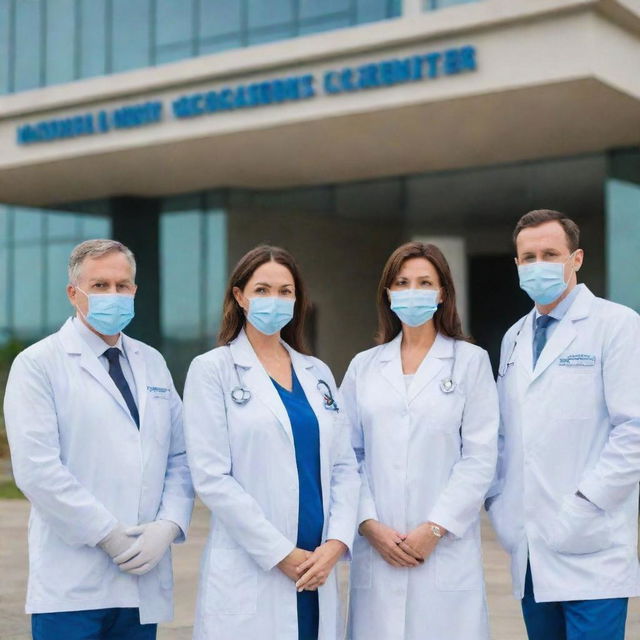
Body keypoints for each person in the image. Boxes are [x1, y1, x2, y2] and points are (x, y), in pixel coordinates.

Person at [4, 239, 194, 640]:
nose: (113, 295)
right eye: (100, 285)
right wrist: (107, 534)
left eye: (122, 286)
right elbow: (37, 470)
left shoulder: (152, 362)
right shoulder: (39, 364)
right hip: (72, 586)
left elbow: (180, 455)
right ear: (75, 294)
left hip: (143, 580)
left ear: (135, 292)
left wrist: (169, 524)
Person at [182, 245, 360, 640]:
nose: (274, 301)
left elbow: (345, 467)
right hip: (257, 566)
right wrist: (280, 553)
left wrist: (336, 543)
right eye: (262, 290)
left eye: (285, 291)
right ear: (240, 296)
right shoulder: (213, 370)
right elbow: (212, 477)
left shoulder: (317, 373)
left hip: (318, 565)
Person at [487, 209, 640, 640]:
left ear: (576, 259)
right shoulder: (514, 337)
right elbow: (506, 436)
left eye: (550, 253)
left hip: (592, 544)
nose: (539, 265)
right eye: (529, 256)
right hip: (531, 548)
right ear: (517, 266)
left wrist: (584, 506)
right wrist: (500, 506)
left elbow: (634, 431)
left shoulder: (617, 325)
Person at [341, 241, 498, 640]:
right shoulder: (364, 367)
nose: (413, 291)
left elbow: (480, 457)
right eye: (403, 282)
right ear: (388, 293)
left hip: (444, 550)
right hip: (377, 547)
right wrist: (368, 524)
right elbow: (345, 455)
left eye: (424, 282)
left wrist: (435, 528)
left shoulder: (470, 361)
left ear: (442, 291)